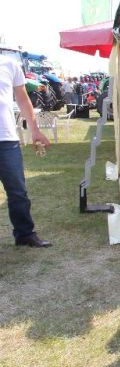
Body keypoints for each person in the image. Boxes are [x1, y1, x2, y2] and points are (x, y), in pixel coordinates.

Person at [0, 55, 52, 247]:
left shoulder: (10, 64)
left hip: (6, 139)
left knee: (18, 192)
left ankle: (24, 234)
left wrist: (35, 130)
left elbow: (23, 100)